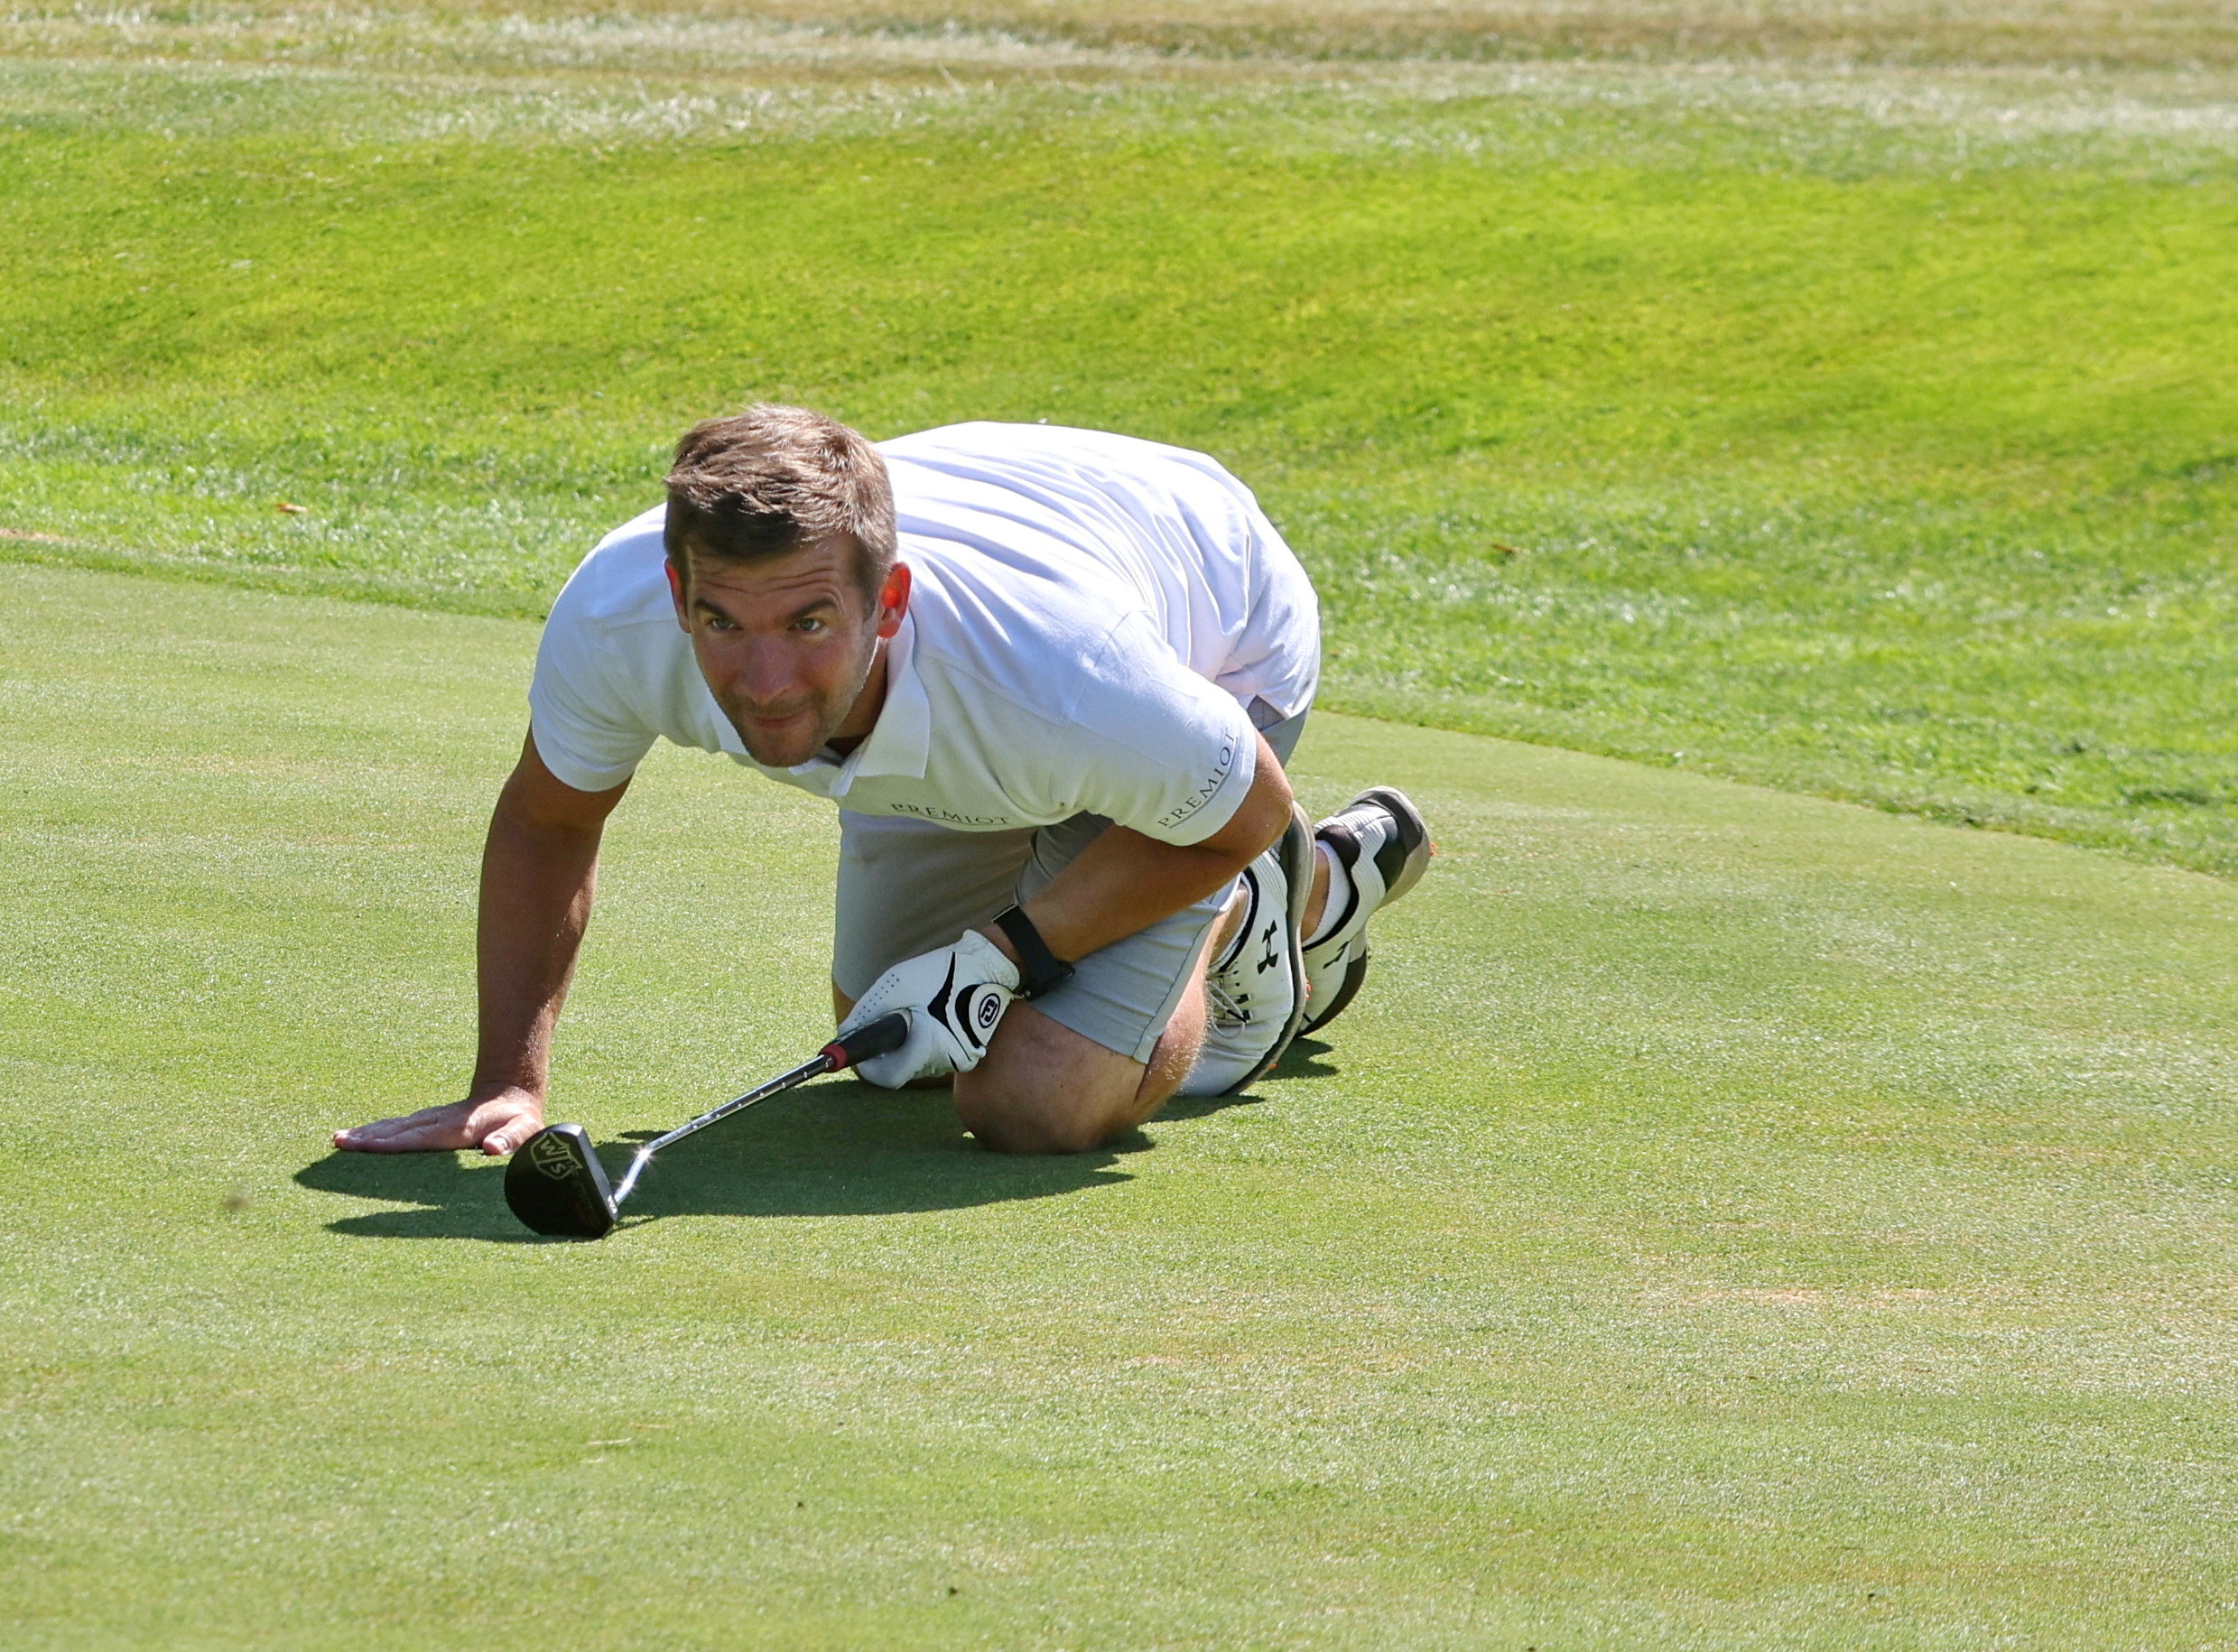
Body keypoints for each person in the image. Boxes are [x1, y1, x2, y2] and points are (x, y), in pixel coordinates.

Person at [337, 405, 1434, 1167]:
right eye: (723, 622)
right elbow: (549, 817)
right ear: (678, 592)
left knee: (1031, 1105)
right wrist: (509, 1082)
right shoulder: (616, 617)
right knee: (893, 1048)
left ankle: (1284, 906)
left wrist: (1006, 952)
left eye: (809, 622)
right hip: (1021, 667)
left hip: (1215, 631)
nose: (765, 683)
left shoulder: (1066, 674)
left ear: (888, 599)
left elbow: (1242, 810)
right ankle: (1247, 892)